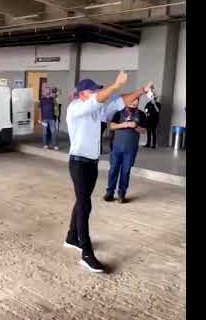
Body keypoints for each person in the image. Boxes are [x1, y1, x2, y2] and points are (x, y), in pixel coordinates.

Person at [64, 72, 154, 273]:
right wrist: (115, 85)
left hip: (91, 163)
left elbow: (120, 101)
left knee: (82, 199)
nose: (98, 92)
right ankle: (86, 253)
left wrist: (141, 90)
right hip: (78, 162)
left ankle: (72, 236)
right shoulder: (76, 108)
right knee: (85, 203)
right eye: (94, 90)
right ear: (83, 94)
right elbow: (100, 98)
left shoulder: (97, 111)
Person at [104, 98, 146, 203]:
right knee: (113, 169)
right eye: (132, 100)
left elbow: (144, 130)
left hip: (131, 148)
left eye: (137, 101)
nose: (134, 102)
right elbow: (112, 126)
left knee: (126, 171)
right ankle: (110, 192)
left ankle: (122, 194)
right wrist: (126, 124)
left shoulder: (141, 114)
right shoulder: (119, 113)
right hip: (117, 147)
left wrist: (136, 127)